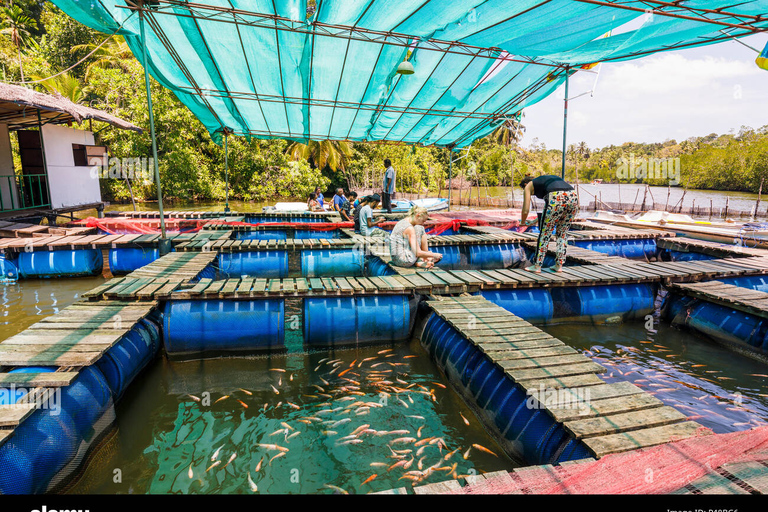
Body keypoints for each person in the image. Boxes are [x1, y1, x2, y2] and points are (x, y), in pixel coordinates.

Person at [519, 174, 578, 273]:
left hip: (556, 197)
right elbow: (550, 213)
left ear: (525, 184)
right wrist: (534, 221)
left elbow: (525, 210)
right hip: (573, 196)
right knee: (562, 234)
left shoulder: (528, 185)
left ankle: (537, 266)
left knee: (544, 234)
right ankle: (559, 265)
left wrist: (523, 222)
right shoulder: (545, 180)